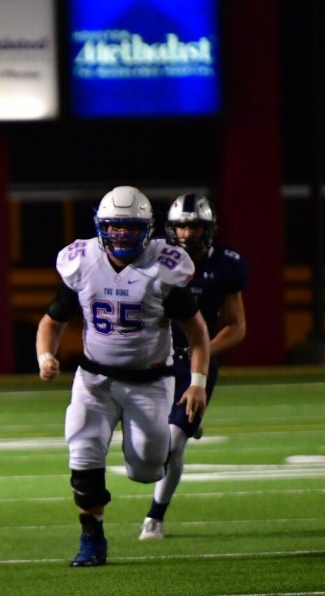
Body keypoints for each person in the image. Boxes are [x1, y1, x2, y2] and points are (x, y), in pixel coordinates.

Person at [34, 185, 211, 567]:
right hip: (94, 380)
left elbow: (197, 333)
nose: (121, 235)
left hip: (150, 381)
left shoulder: (163, 266)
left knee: (146, 469)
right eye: (114, 227)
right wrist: (45, 355)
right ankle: (92, 537)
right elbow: (52, 320)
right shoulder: (82, 261)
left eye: (130, 228)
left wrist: (197, 383)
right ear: (101, 226)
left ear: (146, 229)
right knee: (82, 460)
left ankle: (158, 452)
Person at [139, 193, 247, 540]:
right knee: (149, 445)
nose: (187, 233)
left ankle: (154, 516)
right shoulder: (154, 256)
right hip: (155, 360)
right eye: (181, 226)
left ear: (208, 228)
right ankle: (189, 424)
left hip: (193, 365)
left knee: (173, 443)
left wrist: (202, 352)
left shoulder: (225, 264)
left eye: (194, 225)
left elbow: (236, 326)